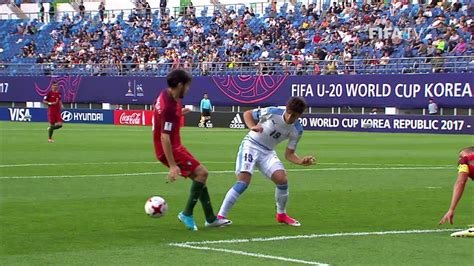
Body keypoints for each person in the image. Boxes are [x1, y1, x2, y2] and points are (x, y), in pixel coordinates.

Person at [217, 97, 316, 226]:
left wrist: (302, 161)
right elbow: (247, 114)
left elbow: (289, 154)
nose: (290, 117)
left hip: (267, 152)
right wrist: (252, 126)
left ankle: (281, 215)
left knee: (282, 180)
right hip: (251, 145)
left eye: (294, 116)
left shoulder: (297, 130)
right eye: (289, 113)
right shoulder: (273, 111)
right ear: (286, 109)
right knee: (243, 181)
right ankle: (220, 216)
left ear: (299, 115)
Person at [153, 69, 231, 231]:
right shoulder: (168, 106)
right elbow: (164, 137)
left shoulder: (167, 95)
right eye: (187, 86)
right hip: (169, 149)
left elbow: (163, 119)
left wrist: (179, 114)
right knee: (202, 173)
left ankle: (210, 218)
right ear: (180, 85)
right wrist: (173, 165)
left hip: (175, 145)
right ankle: (187, 213)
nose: (188, 89)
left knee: (199, 176)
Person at [439, 146, 474, 237]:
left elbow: (460, 183)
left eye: (460, 156)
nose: (459, 159)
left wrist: (451, 209)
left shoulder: (465, 161)